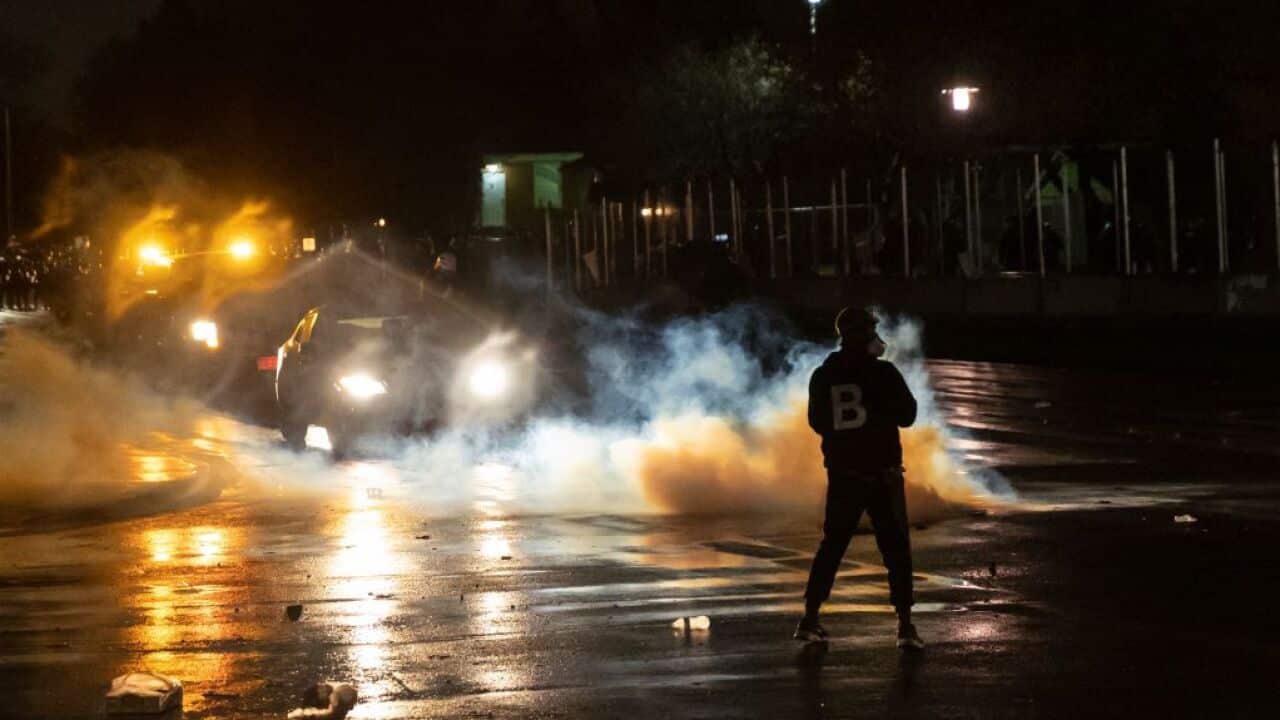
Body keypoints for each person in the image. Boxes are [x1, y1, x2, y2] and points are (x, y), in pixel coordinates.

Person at [796, 306, 923, 650]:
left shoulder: (824, 374)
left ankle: (809, 617)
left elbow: (816, 421)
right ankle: (905, 626)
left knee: (832, 546)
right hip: (882, 471)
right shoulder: (883, 372)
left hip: (844, 473)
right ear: (864, 334)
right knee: (896, 549)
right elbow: (908, 416)